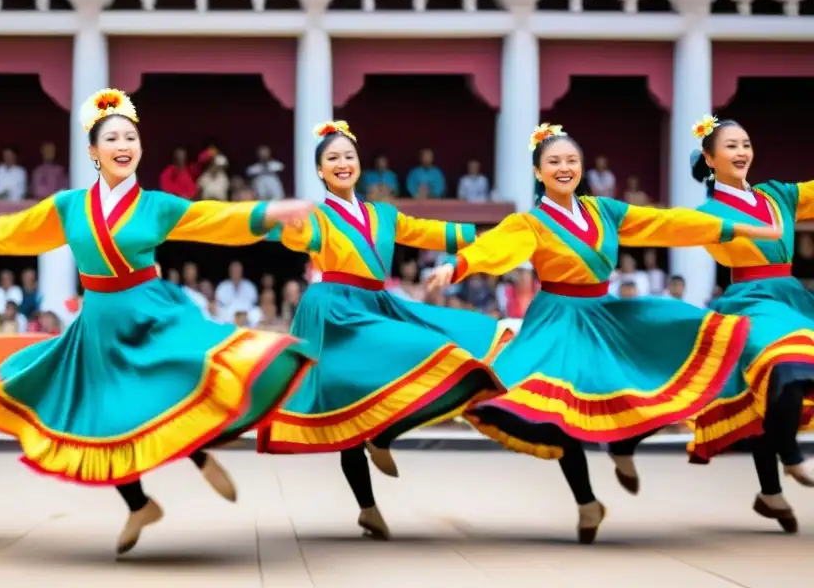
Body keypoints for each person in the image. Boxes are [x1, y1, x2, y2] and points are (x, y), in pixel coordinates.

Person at [0, 89, 315, 555]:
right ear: (93, 151)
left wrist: (268, 212)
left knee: (174, 380)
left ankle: (199, 451)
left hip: (148, 312)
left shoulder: (156, 206)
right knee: (105, 419)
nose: (123, 144)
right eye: (113, 138)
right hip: (99, 326)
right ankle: (140, 504)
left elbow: (211, 217)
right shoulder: (68, 206)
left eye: (131, 137)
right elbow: (18, 230)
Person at [426, 123, 781, 544]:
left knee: (637, 379)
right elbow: (493, 247)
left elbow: (667, 223)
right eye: (554, 162)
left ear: (582, 168)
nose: (564, 167)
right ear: (538, 172)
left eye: (571, 161)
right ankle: (586, 501)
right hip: (558, 320)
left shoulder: (605, 212)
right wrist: (456, 265)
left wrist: (740, 228)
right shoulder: (531, 223)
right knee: (559, 412)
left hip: (603, 314)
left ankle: (622, 445)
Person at [257, 121, 507, 540]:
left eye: (348, 157)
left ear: (359, 165)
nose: (341, 163)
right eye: (332, 158)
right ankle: (368, 508)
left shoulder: (384, 215)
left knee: (434, 347)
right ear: (320, 171)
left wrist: (485, 237)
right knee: (346, 408)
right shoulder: (317, 215)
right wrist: (289, 222)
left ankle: (384, 435)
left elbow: (427, 231)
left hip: (375, 304)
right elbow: (299, 236)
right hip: (334, 311)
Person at [684, 115, 814, 533]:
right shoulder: (707, 215)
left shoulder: (779, 194)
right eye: (731, 146)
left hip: (790, 298)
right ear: (710, 157)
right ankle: (790, 456)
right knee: (786, 367)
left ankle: (769, 492)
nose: (742, 152)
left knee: (774, 388)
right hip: (751, 302)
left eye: (746, 144)